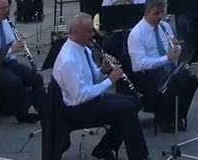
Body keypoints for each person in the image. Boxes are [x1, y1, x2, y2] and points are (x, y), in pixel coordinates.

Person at [49, 13, 149, 160]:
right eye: (88, 31)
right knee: (127, 109)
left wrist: (103, 69)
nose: (93, 34)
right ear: (75, 32)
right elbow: (80, 96)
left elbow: (90, 80)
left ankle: (105, 148)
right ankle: (138, 157)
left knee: (133, 102)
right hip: (76, 110)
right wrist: (110, 80)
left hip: (88, 101)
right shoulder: (69, 59)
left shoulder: (83, 49)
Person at [128, 0, 198, 133]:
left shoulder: (164, 26)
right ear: (146, 13)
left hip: (166, 65)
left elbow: (174, 48)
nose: (160, 17)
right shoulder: (136, 33)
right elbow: (138, 64)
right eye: (156, 13)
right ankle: (164, 118)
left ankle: (177, 114)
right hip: (147, 72)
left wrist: (177, 48)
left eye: (162, 12)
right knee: (171, 83)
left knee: (191, 80)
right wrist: (166, 58)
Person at [0, 0, 46, 122]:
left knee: (36, 78)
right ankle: (22, 115)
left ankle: (43, 110)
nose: (7, 11)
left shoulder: (6, 23)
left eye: (8, 7)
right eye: (4, 8)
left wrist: (18, 42)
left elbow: (11, 42)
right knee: (15, 83)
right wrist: (11, 49)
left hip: (9, 63)